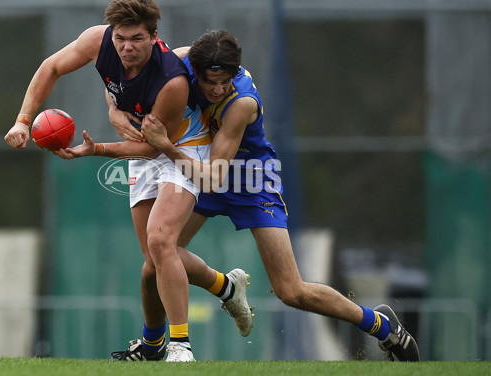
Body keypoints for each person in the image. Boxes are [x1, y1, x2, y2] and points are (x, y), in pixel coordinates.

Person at [140, 29, 420, 362]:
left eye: (224, 81)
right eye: (208, 82)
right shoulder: (182, 62)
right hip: (204, 166)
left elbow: (214, 178)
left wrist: (165, 145)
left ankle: (382, 325)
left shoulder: (240, 103)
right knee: (156, 258)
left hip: (249, 181)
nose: (216, 90)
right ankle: (157, 341)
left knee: (291, 291)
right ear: (194, 69)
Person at [4, 0, 253, 362]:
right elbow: (51, 67)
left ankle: (180, 345)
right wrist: (23, 120)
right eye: (121, 37)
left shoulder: (172, 81)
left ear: (154, 36)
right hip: (143, 141)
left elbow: (154, 149)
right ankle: (213, 297)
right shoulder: (98, 41)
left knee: (161, 240)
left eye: (136, 38)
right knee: (152, 263)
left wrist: (97, 150)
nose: (126, 47)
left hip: (179, 145)